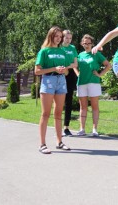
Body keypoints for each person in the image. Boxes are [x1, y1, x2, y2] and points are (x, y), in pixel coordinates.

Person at [35, 26, 72, 154]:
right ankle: (42, 144)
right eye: (56, 36)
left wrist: (63, 70)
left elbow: (67, 71)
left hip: (61, 81)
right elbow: (37, 71)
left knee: (58, 113)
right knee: (45, 114)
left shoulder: (62, 51)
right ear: (50, 36)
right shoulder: (44, 51)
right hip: (48, 81)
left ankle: (59, 142)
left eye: (60, 37)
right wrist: (54, 69)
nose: (59, 39)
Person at [74, 34, 111, 136]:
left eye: (88, 43)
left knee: (95, 106)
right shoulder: (80, 55)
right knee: (83, 107)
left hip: (93, 83)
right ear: (82, 44)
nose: (86, 45)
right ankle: (82, 129)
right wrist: (77, 74)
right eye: (85, 43)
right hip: (81, 83)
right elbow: (74, 65)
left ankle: (94, 129)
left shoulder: (96, 54)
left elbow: (108, 65)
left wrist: (100, 74)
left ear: (92, 44)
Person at [61, 30, 78, 136]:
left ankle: (66, 127)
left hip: (70, 75)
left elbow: (75, 64)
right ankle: (57, 126)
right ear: (62, 37)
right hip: (59, 74)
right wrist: (66, 66)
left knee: (69, 101)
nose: (68, 40)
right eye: (66, 37)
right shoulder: (58, 48)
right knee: (58, 102)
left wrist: (66, 67)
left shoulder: (72, 48)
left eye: (70, 38)